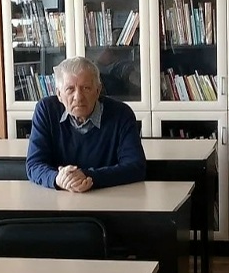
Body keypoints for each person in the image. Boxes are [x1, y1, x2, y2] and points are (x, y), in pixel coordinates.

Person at [26, 56, 146, 192]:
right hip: (59, 199)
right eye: (70, 89)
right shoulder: (46, 110)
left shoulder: (121, 114)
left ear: (98, 91)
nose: (78, 97)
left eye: (86, 88)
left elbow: (136, 167)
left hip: (109, 198)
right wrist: (57, 179)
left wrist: (88, 177)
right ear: (59, 94)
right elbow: (34, 164)